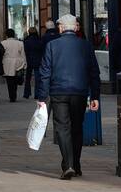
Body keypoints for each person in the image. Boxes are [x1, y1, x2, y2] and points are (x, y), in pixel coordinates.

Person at [35, 14, 101, 179]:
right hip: (80, 92)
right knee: (77, 128)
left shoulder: (52, 46)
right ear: (75, 27)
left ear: (61, 28)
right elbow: (94, 73)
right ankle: (75, 164)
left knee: (62, 128)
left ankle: (69, 164)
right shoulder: (86, 46)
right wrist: (95, 96)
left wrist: (42, 97)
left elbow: (44, 74)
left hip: (58, 93)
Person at [0, 28, 26, 102]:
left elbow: (1, 54)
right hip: (17, 62)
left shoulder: (3, 43)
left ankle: (12, 95)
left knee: (9, 80)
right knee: (15, 79)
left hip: (7, 62)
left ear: (6, 35)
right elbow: (23, 54)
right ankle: (14, 94)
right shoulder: (20, 43)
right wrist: (24, 64)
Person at [22, 26, 44, 99]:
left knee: (28, 78)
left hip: (29, 60)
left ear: (29, 32)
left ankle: (27, 93)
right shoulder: (40, 40)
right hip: (38, 61)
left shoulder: (26, 41)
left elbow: (25, 52)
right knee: (37, 78)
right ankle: (37, 94)